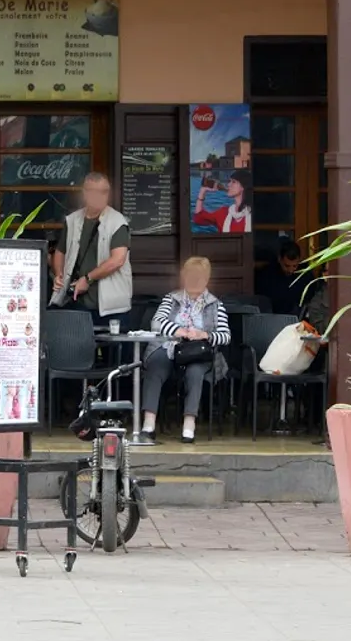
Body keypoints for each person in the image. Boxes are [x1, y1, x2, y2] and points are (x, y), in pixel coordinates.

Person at [139, 257, 231, 445]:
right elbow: (156, 322)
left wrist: (203, 334)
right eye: (191, 276)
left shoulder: (216, 305)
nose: (194, 281)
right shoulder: (171, 298)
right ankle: (148, 425)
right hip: (169, 346)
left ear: (206, 279)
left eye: (199, 277)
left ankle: (189, 426)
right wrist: (178, 331)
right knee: (156, 366)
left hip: (198, 351)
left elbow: (225, 335)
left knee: (195, 372)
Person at [50, 173, 133, 330]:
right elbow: (60, 251)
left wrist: (87, 279)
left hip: (112, 305)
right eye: (96, 191)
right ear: (85, 193)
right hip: (77, 301)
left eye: (105, 191)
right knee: (76, 350)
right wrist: (58, 275)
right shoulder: (72, 220)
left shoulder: (118, 222)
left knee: (114, 353)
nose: (101, 196)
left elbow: (118, 260)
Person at [255, 239, 308, 316]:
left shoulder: (305, 274)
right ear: (279, 259)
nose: (291, 270)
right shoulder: (267, 274)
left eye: (294, 266)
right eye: (287, 266)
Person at [193, 169, 252, 234]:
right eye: (229, 181)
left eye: (233, 182)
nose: (228, 185)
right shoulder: (223, 213)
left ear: (243, 187)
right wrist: (202, 191)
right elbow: (198, 219)